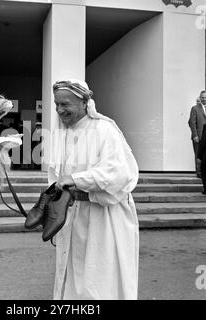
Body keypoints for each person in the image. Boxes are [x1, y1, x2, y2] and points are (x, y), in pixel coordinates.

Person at [48, 79, 139, 300]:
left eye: (65, 104)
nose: (60, 110)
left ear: (84, 102)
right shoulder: (63, 133)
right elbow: (57, 177)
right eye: (57, 104)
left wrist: (76, 179)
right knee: (73, 278)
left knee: (99, 281)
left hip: (104, 219)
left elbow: (119, 173)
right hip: (73, 216)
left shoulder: (104, 129)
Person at [188, 91, 206, 178]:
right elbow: (192, 122)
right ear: (200, 98)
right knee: (198, 155)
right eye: (202, 97)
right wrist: (195, 135)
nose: (204, 99)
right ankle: (199, 173)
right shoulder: (195, 108)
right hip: (198, 136)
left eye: (205, 97)